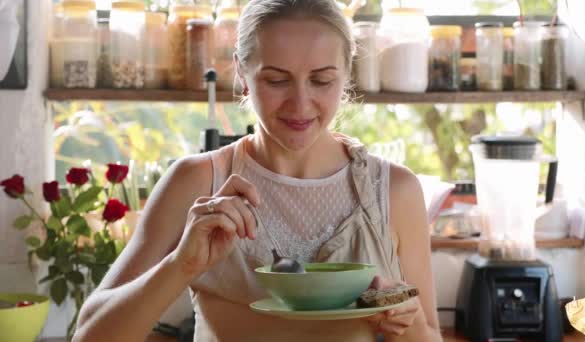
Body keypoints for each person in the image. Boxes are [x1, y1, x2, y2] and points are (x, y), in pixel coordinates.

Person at [73, 0, 441, 340]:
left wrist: (406, 322)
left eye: (321, 80)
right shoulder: (197, 183)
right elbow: (89, 336)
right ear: (242, 73)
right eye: (276, 80)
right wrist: (180, 265)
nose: (300, 104)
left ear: (347, 72)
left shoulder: (394, 190)